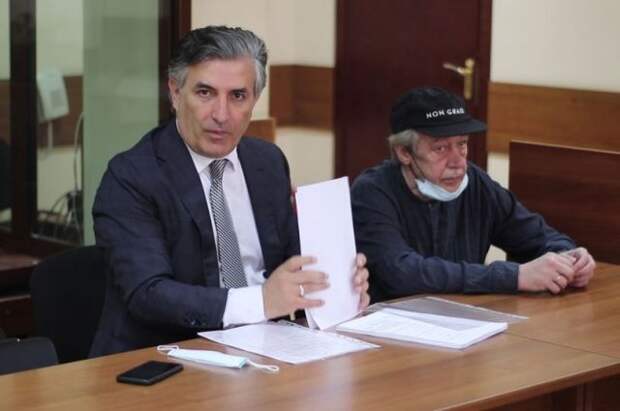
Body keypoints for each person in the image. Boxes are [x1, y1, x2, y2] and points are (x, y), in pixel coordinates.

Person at [90, 26, 369, 357]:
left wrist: (336, 284)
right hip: (166, 356)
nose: (221, 115)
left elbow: (293, 261)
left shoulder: (267, 162)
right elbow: (148, 294)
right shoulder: (132, 177)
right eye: (205, 93)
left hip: (269, 350)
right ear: (175, 93)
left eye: (238, 96)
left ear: (255, 100)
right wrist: (261, 301)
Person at [351, 86, 595, 303]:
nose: (458, 162)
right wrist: (514, 276)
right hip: (393, 329)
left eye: (462, 144)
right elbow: (402, 273)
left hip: (467, 323)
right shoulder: (371, 192)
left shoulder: (475, 182)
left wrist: (567, 258)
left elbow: (535, 235)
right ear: (404, 153)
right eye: (440, 148)